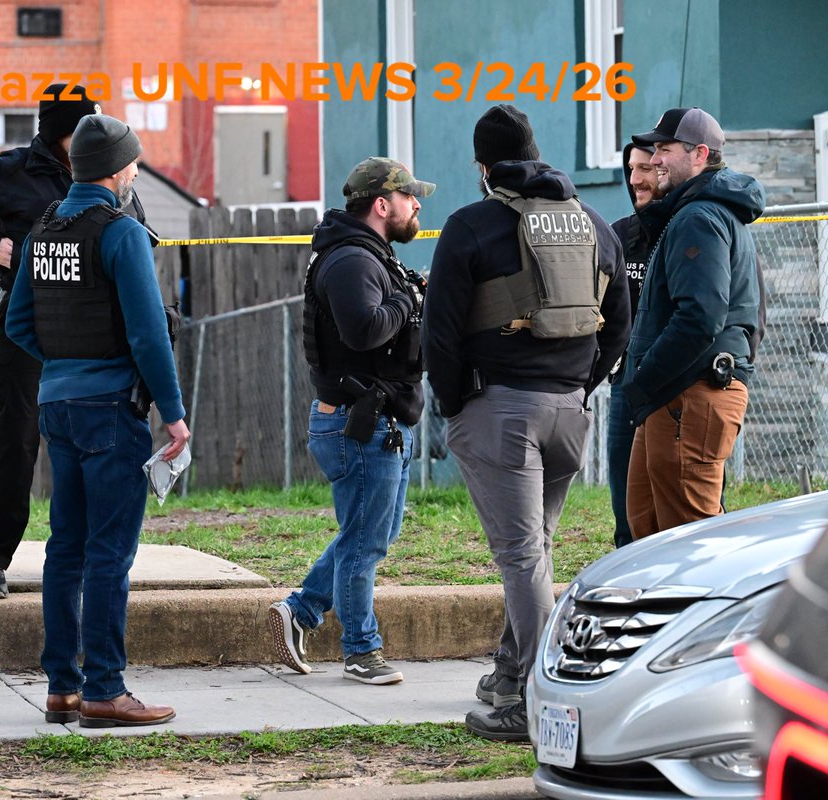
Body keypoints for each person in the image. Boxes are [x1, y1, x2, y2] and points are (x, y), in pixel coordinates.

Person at [423, 105, 630, 740]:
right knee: (535, 552)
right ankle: (511, 674)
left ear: (485, 169)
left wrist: (457, 404)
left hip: (501, 412)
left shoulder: (470, 225)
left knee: (520, 558)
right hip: (570, 412)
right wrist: (581, 387)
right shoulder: (594, 224)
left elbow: (441, 332)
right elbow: (619, 323)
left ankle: (545, 702)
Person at [5, 114, 190, 727]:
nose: (135, 170)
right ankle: (106, 689)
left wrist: (64, 368)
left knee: (67, 550)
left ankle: (62, 687)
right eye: (133, 161)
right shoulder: (122, 231)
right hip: (112, 409)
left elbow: (18, 324)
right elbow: (147, 332)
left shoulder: (45, 229)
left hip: (56, 406)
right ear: (117, 169)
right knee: (111, 553)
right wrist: (174, 412)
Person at [268, 157, 434, 686]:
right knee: (364, 540)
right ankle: (361, 650)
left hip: (378, 420)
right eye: (410, 198)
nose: (418, 207)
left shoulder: (371, 257)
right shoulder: (350, 261)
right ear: (383, 204)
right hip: (359, 424)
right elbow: (363, 330)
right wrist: (408, 299)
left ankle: (301, 610)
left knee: (371, 533)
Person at [0, 86, 101, 600]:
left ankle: (93, 557)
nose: (90, 138)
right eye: (81, 129)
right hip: (21, 327)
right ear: (56, 134)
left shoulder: (104, 168)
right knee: (16, 441)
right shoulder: (14, 169)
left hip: (86, 331)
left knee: (93, 440)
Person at [622, 107, 764, 539]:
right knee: (648, 538)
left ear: (699, 154)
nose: (656, 158)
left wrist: (644, 378)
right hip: (675, 398)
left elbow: (701, 317)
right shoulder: (699, 213)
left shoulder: (699, 218)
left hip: (690, 396)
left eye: (665, 149)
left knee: (694, 547)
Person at [607, 143, 662, 548]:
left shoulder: (697, 228)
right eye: (630, 169)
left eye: (644, 168)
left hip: (681, 386)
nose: (635, 179)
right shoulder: (619, 236)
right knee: (626, 506)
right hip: (627, 386)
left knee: (692, 506)